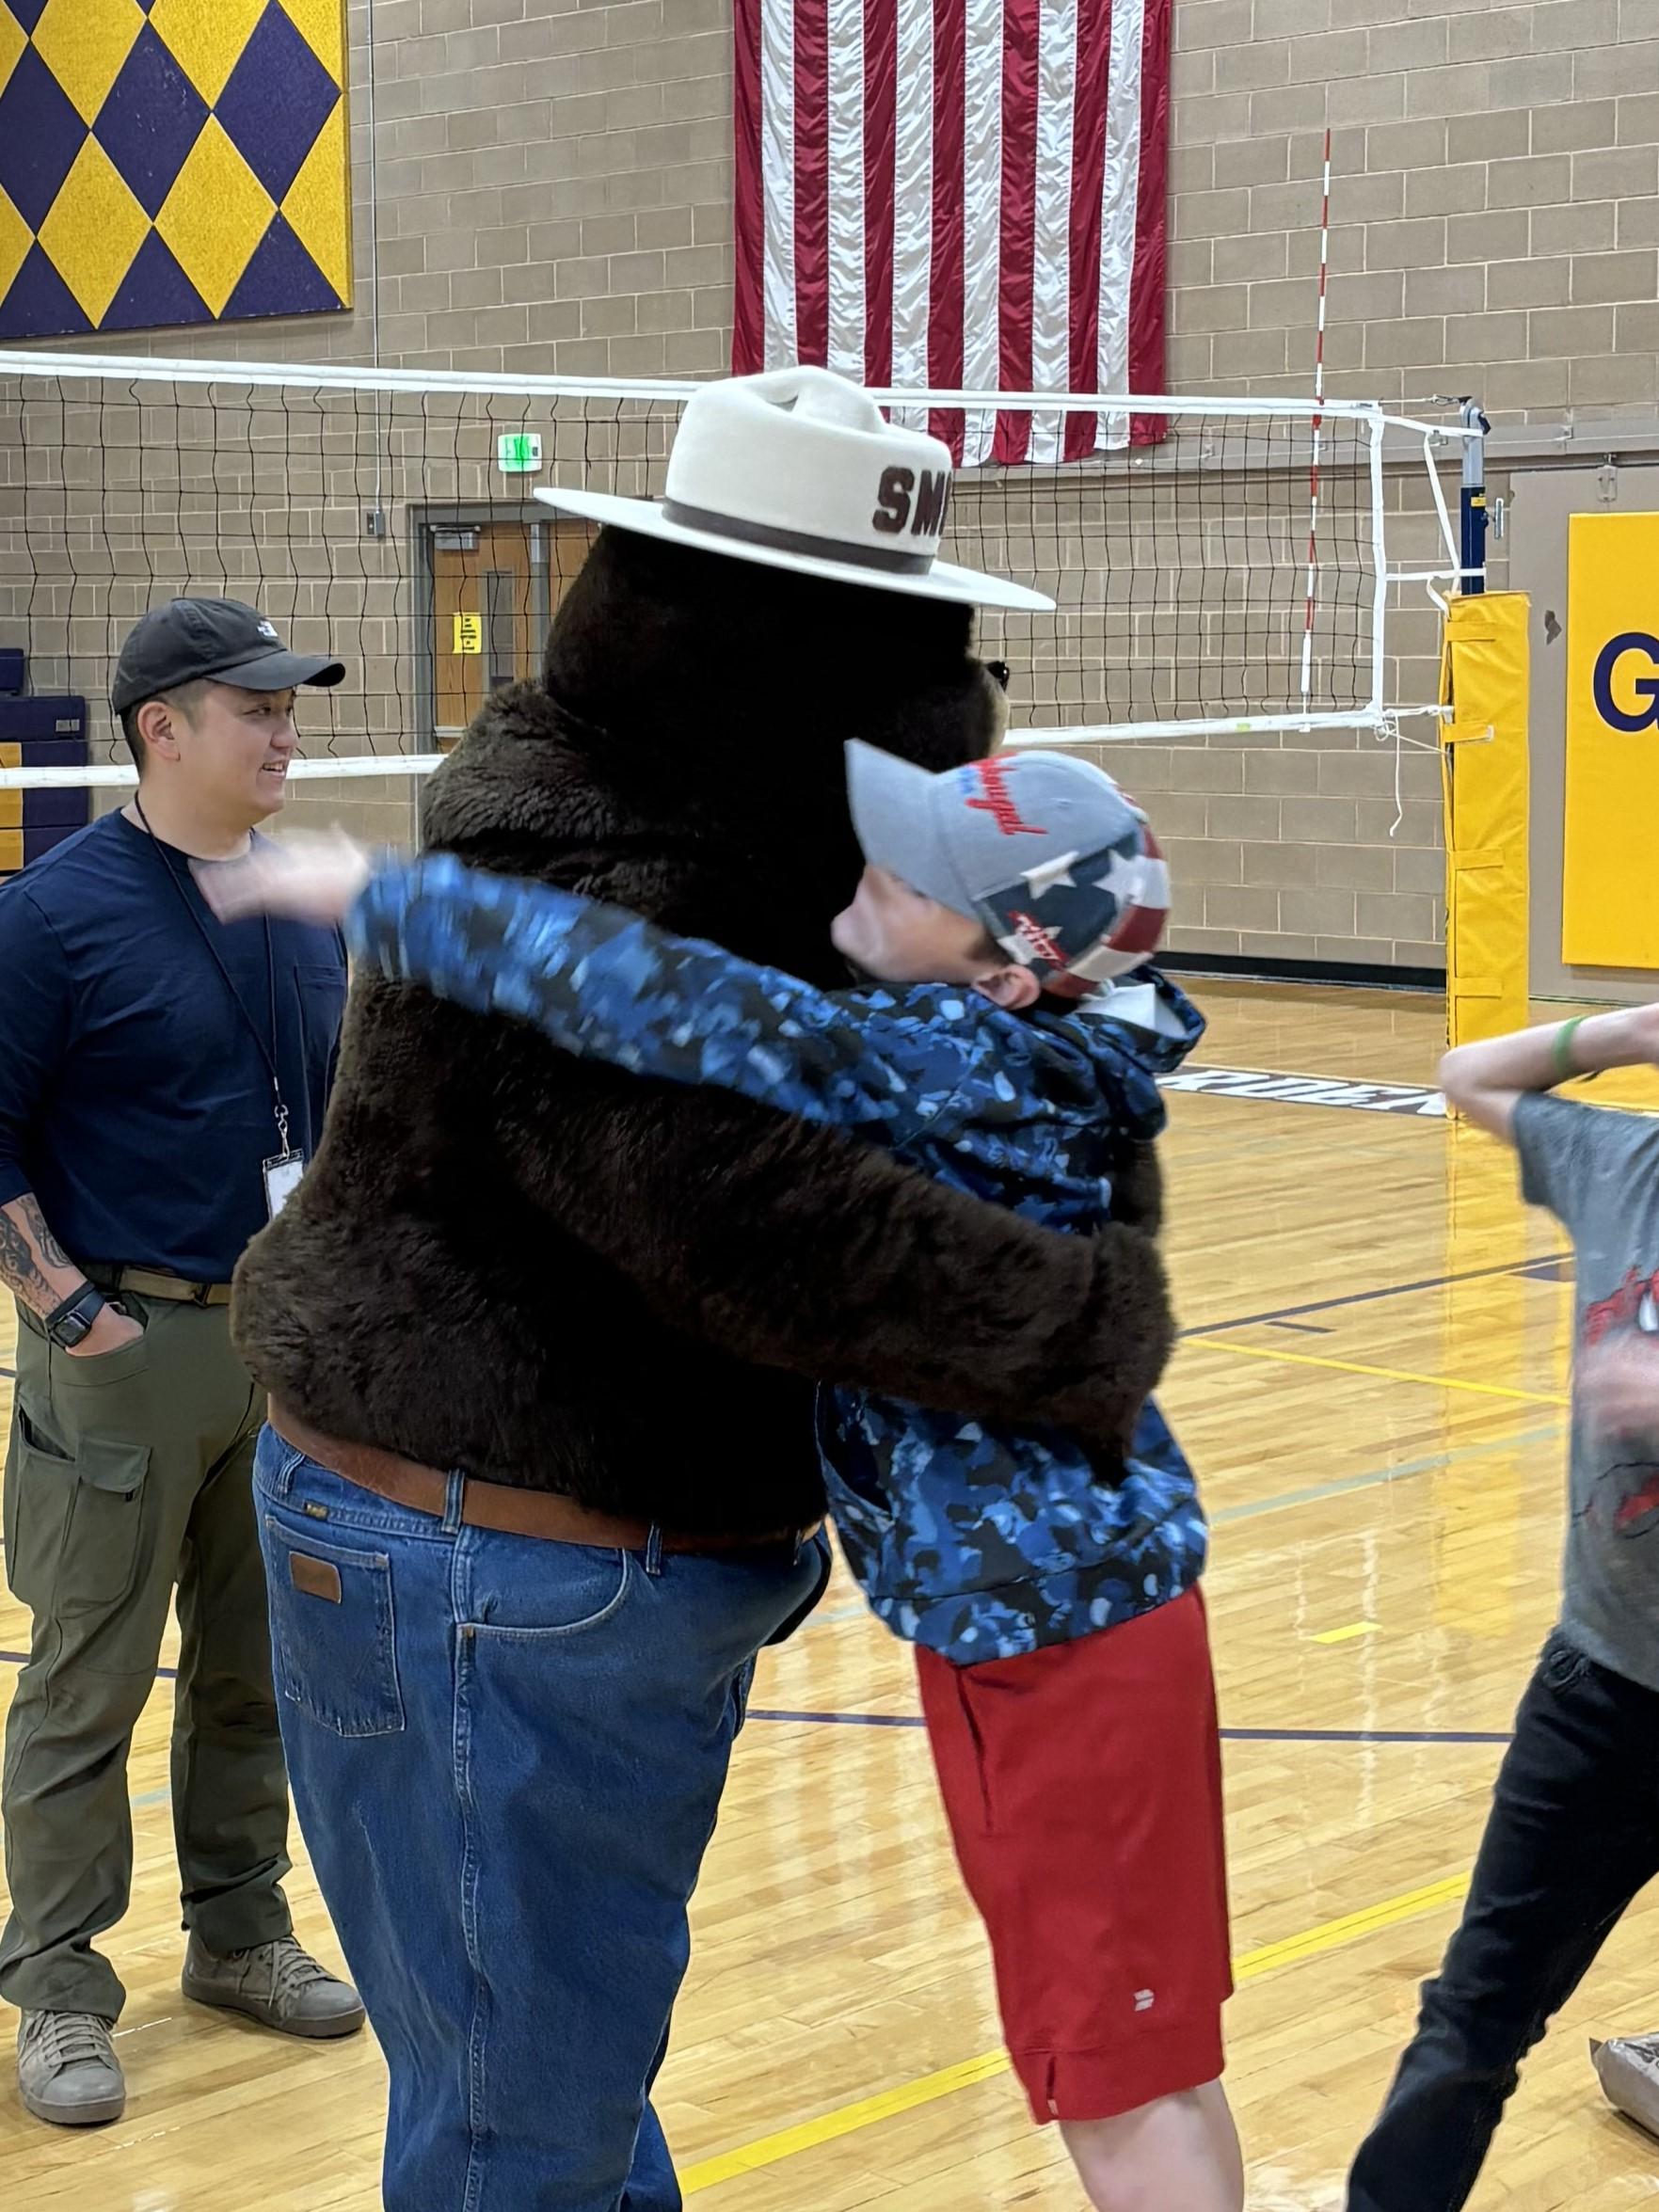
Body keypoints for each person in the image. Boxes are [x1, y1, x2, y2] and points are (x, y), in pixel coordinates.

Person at [224, 370, 1179, 2212]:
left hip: (526, 1556)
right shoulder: (621, 865)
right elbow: (763, 1226)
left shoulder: (716, 852)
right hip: (497, 1561)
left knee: (540, 2062)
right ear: (767, 645)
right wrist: (1084, 1328)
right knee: (519, 2115)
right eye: (899, 647)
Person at [0, 597, 365, 2131]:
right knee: (85, 1683)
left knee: (254, 1666)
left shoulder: (298, 896)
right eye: (254, 709)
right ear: (163, 730)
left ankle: (239, 1933)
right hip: (128, 1343)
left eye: (291, 708)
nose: (286, 732)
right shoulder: (55, 910)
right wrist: (70, 1307)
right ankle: (61, 1990)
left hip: (283, 1348)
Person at [1340, 1006, 1659, 2210]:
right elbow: (1463, 1071)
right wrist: (1622, 1029)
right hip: (1594, 1692)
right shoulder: (1616, 1160)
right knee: (1472, 2015)